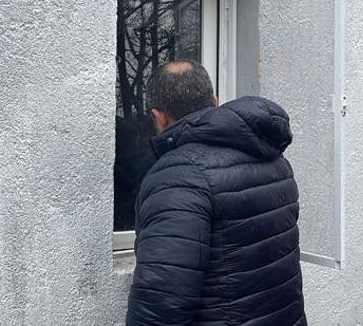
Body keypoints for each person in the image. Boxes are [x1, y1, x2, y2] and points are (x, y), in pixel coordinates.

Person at [126, 60, 306, 326]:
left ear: (159, 116)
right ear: (215, 101)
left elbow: (162, 304)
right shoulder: (275, 162)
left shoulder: (178, 176)